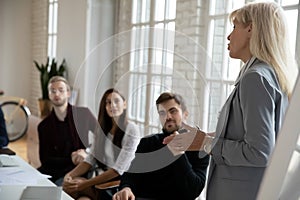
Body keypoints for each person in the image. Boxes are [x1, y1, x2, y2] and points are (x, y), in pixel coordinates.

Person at [163, 2, 298, 200]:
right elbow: (247, 134)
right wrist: (199, 138)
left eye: (234, 27)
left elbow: (259, 151)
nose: (228, 36)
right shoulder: (268, 74)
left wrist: (206, 143)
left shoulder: (255, 78)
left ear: (251, 29)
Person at [113, 92, 209, 200]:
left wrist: (178, 152)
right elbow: (130, 176)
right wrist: (126, 188)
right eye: (162, 113)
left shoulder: (200, 148)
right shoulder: (148, 143)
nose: (168, 117)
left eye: (173, 111)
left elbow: (193, 191)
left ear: (185, 114)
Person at [63, 88, 141, 200]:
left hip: (121, 185)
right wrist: (69, 175)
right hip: (104, 181)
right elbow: (90, 159)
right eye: (108, 102)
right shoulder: (102, 130)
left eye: (116, 101)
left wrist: (84, 184)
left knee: (72, 188)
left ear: (124, 104)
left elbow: (118, 170)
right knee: (79, 195)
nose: (112, 105)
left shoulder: (132, 130)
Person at [37, 76, 98, 185]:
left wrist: (87, 152)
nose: (57, 94)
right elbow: (45, 160)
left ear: (68, 93)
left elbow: (102, 136)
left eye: (61, 90)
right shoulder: (43, 126)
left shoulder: (83, 114)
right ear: (49, 95)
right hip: (53, 171)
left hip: (79, 169)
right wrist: (70, 158)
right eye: (53, 91)